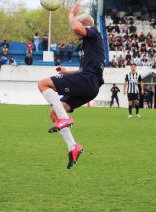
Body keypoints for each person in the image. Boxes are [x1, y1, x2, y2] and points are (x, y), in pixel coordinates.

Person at [38, 4, 104, 169]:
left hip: (88, 81)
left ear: (86, 25)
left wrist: (72, 14)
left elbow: (76, 27)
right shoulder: (88, 44)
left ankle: (66, 119)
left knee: (43, 83)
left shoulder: (92, 32)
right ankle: (73, 147)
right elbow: (84, 69)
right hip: (89, 84)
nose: (76, 37)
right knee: (55, 113)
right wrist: (67, 73)